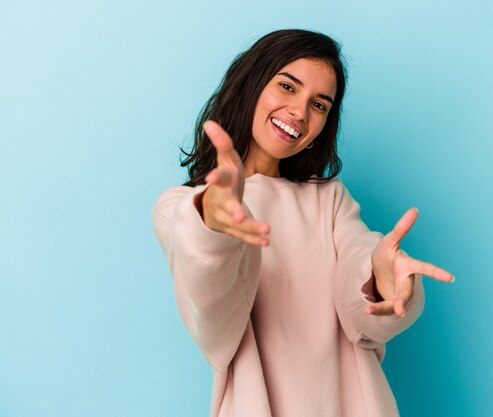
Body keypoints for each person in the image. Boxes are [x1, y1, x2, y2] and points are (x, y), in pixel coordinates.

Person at [153, 29, 454, 417]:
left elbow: (358, 286)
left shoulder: (328, 197)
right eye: (287, 86)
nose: (299, 111)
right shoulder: (181, 208)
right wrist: (214, 225)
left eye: (319, 105)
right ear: (250, 85)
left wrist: (382, 278)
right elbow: (215, 322)